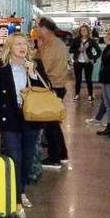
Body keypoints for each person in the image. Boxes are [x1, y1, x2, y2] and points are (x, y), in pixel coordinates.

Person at [0, 34, 50, 218]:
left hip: (31, 117)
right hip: (9, 116)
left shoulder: (34, 65)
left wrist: (32, 74)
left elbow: (47, 88)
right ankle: (15, 199)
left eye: (25, 44)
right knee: (14, 157)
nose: (22, 47)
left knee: (27, 156)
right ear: (10, 46)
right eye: (18, 44)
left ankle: (21, 190)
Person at [34, 17, 70, 168]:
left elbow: (43, 68)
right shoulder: (56, 43)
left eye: (38, 27)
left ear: (44, 29)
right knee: (53, 122)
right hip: (58, 86)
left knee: (50, 124)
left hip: (52, 87)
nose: (36, 30)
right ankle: (62, 154)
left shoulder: (51, 45)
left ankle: (54, 157)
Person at [70, 24, 101, 102]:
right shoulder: (76, 40)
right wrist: (78, 50)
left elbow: (99, 51)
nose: (83, 32)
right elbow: (71, 50)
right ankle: (77, 94)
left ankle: (90, 95)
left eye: (84, 30)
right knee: (78, 79)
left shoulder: (91, 40)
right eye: (81, 30)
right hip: (77, 62)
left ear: (88, 31)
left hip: (88, 62)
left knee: (88, 79)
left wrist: (93, 59)